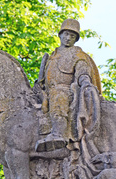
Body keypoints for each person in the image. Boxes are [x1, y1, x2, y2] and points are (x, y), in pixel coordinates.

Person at [34, 19, 102, 152]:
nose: (68, 38)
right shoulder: (51, 56)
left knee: (59, 95)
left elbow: (82, 70)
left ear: (76, 39)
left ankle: (58, 134)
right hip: (47, 93)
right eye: (66, 34)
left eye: (72, 36)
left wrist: (85, 81)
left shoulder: (78, 55)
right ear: (60, 35)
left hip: (66, 91)